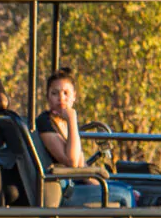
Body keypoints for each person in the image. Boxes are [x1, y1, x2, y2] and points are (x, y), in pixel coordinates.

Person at [36, 68, 134, 207]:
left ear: (74, 96)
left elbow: (81, 166)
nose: (61, 98)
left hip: (76, 181)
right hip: (65, 190)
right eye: (54, 93)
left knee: (127, 188)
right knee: (125, 194)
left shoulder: (63, 121)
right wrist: (72, 118)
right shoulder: (45, 122)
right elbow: (72, 162)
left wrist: (100, 184)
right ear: (48, 97)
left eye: (66, 93)